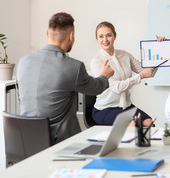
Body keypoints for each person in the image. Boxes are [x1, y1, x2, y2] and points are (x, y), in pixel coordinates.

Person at [17, 12, 114, 144]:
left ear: (47, 33)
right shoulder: (74, 66)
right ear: (71, 36)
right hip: (60, 144)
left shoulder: (23, 62)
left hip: (26, 142)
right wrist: (104, 75)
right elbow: (96, 88)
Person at [90, 21, 165, 126]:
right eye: (101, 36)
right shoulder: (96, 61)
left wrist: (159, 49)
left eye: (109, 35)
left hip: (126, 106)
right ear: (97, 39)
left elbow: (148, 71)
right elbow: (117, 88)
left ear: (115, 36)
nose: (105, 40)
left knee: (149, 123)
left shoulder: (124, 55)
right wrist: (140, 76)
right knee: (133, 125)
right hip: (105, 109)